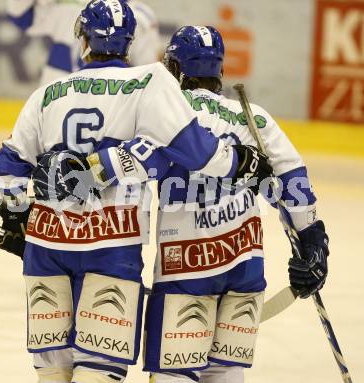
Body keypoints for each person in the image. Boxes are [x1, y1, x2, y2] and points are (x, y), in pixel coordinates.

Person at [0, 2, 270, 383]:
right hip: (112, 250)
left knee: (52, 373)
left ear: (83, 40)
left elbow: (9, 167)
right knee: (99, 370)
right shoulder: (151, 82)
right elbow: (194, 152)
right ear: (130, 41)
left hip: (48, 248)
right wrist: (239, 161)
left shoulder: (47, 93)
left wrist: (16, 216)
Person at [39, 25, 329, 383]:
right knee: (226, 372)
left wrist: (83, 171)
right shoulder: (256, 119)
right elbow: (294, 185)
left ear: (173, 69)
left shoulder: (168, 115)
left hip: (185, 273)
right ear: (220, 72)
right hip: (246, 272)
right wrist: (314, 246)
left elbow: (135, 160)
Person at [6, 0, 161, 85]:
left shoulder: (140, 16)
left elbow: (148, 75)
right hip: (57, 109)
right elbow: (21, 16)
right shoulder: (70, 7)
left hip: (107, 116)